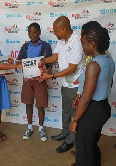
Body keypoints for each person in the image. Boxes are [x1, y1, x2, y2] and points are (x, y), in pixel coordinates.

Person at [69, 21, 115, 166]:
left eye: (83, 43)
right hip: (102, 108)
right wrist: (80, 94)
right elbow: (109, 83)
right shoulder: (108, 60)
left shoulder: (94, 65)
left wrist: (75, 120)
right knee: (91, 145)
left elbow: (87, 98)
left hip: (92, 110)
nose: (81, 46)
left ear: (92, 43)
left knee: (83, 151)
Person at [40, 16, 84, 152]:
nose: (54, 33)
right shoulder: (62, 41)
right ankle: (65, 132)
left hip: (74, 85)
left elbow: (71, 69)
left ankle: (70, 140)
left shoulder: (77, 42)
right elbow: (54, 57)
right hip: (64, 83)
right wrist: (41, 60)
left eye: (56, 31)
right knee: (65, 111)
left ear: (64, 29)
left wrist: (51, 75)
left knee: (73, 113)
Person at [17, 22, 52, 141]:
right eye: (30, 32)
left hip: (40, 80)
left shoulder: (46, 46)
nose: (32, 34)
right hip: (27, 80)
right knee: (28, 103)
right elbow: (19, 61)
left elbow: (50, 63)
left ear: (40, 32)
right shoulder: (25, 46)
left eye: (34, 32)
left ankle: (41, 129)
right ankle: (30, 128)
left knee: (40, 105)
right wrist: (14, 62)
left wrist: (46, 72)